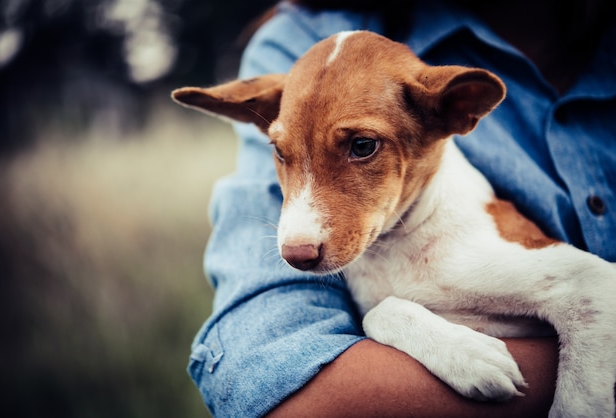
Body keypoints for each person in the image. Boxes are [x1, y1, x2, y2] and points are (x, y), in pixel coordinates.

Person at [190, 0, 616, 416]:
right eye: (282, 152)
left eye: (362, 146)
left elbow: (601, 290)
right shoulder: (292, 39)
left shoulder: (471, 242)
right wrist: (391, 321)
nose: (298, 238)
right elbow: (264, 375)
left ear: (457, 108)